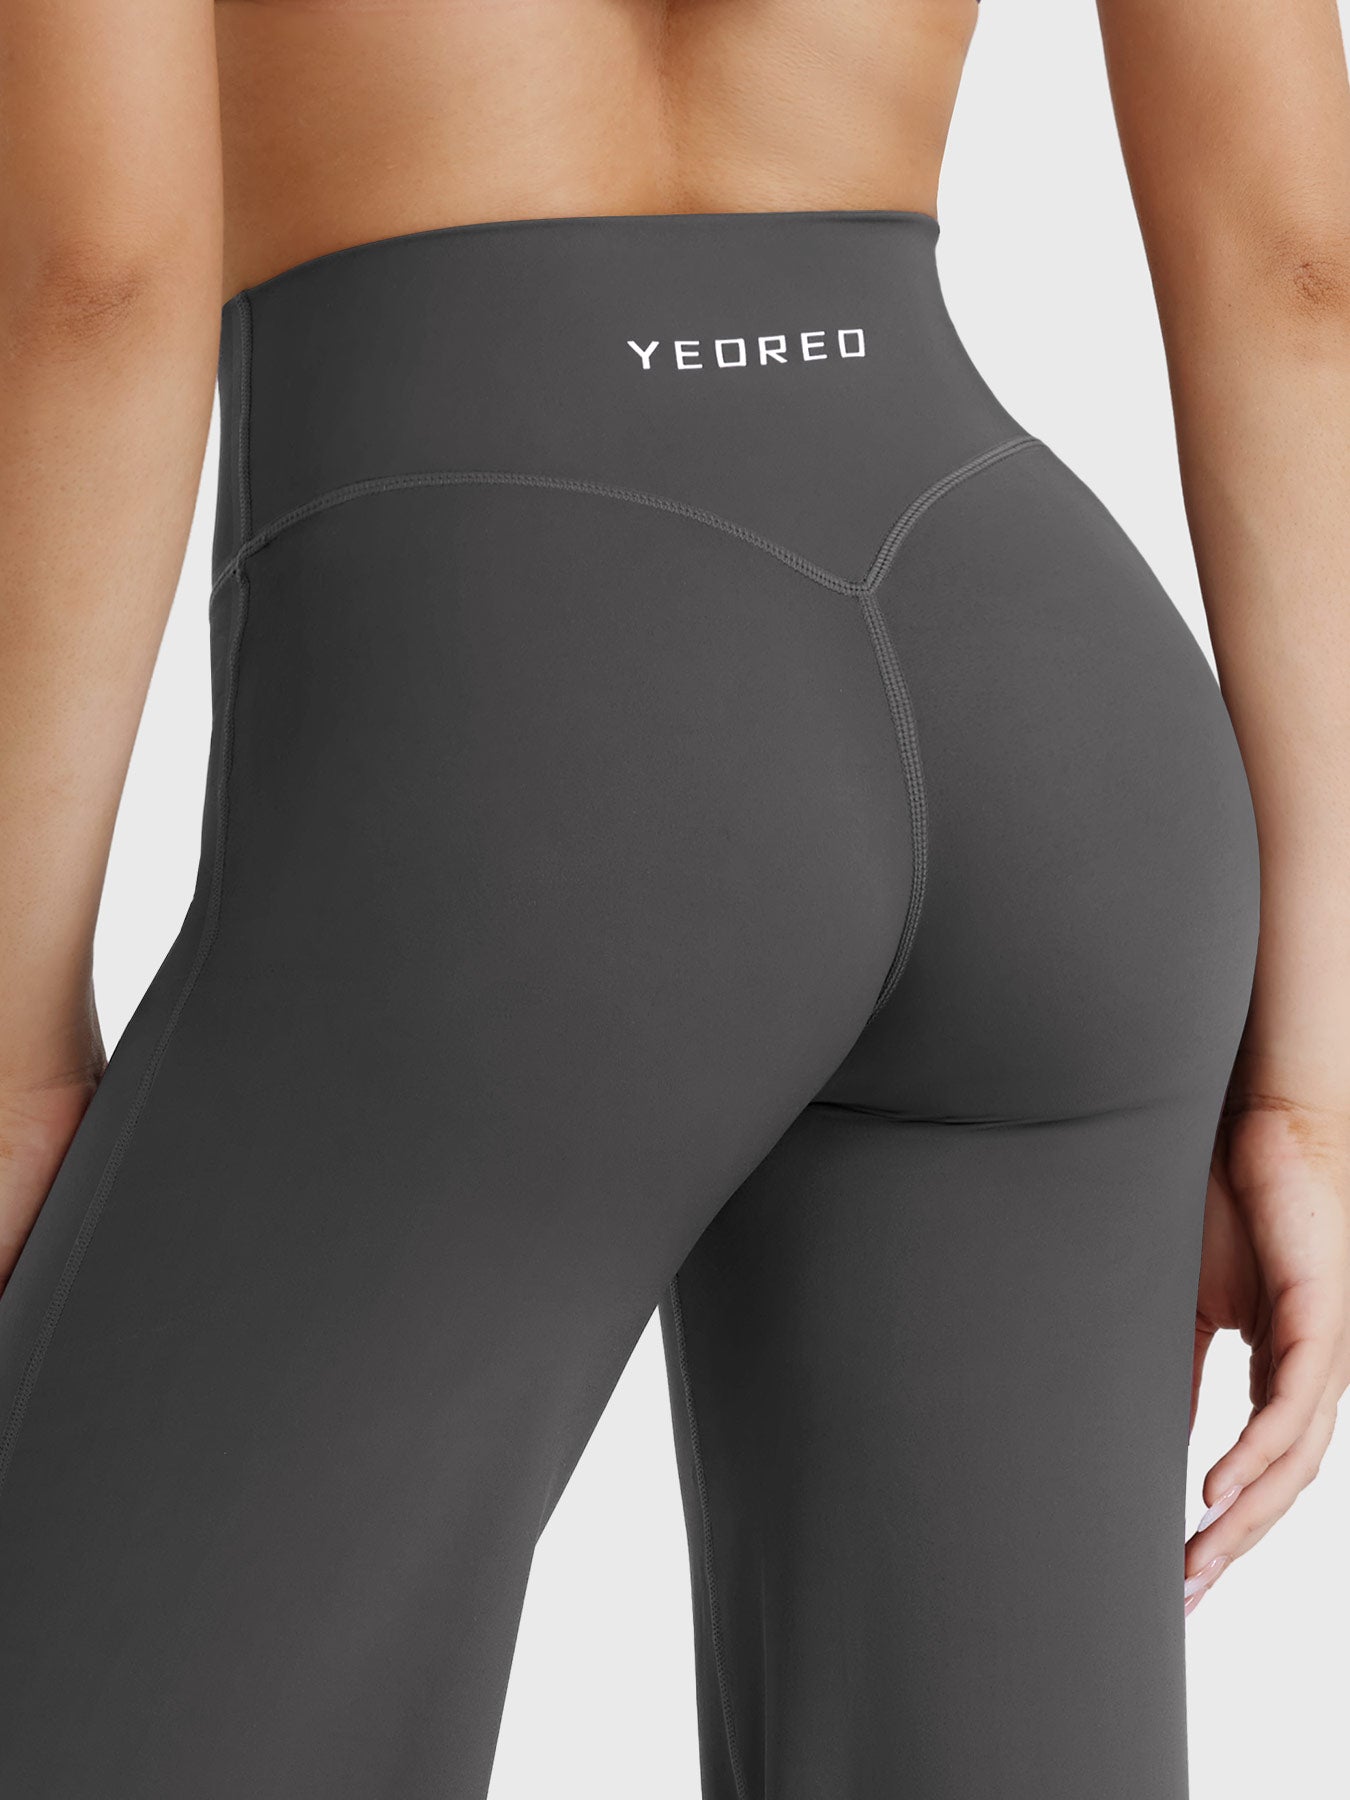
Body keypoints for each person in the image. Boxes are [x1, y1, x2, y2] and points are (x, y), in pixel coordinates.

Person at [0, 1, 1346, 1795]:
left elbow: (90, 278)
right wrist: (1306, 1088)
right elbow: (1298, 263)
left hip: (516, 729)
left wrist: (17, 1039)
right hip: (1043, 705)